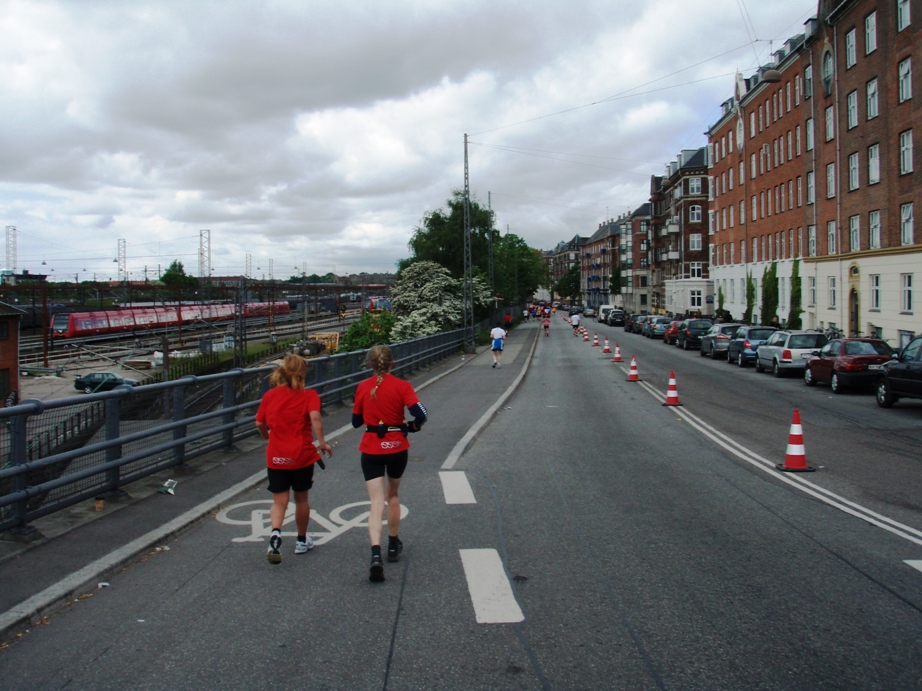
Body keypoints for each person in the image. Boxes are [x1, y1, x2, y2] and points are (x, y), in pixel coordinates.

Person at [352, 345, 427, 582]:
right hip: (396, 447)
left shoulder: (363, 387)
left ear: (370, 365)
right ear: (392, 364)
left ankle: (375, 554)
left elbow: (355, 422)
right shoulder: (402, 386)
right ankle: (393, 545)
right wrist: (413, 426)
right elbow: (422, 413)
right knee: (392, 495)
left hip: (371, 447)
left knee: (376, 502)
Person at [255, 354, 333, 565]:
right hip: (301, 456)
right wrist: (323, 442)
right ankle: (301, 540)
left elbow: (260, 423)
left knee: (279, 501)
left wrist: (268, 437)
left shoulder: (270, 396)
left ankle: (275, 535)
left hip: (276, 456)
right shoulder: (309, 395)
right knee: (301, 499)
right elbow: (315, 417)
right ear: (303, 373)